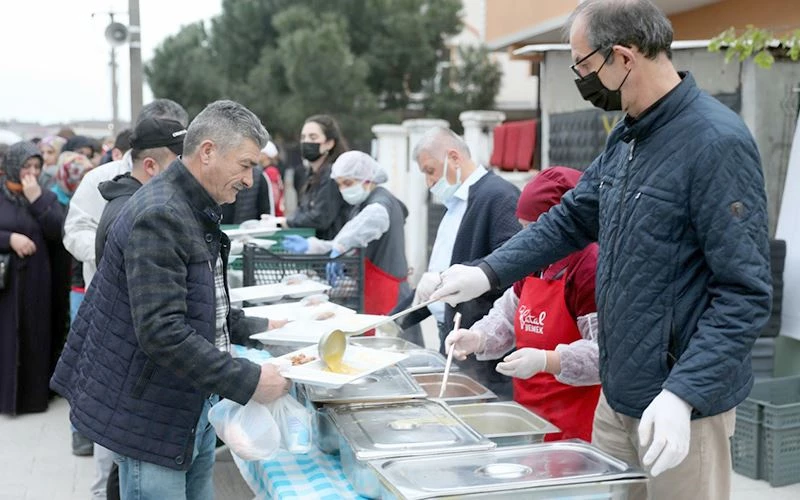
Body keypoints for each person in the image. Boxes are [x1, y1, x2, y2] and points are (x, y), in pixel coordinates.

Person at [430, 1, 771, 498]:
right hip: (618, 397)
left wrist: (683, 393)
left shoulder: (715, 143)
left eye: (584, 65)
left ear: (624, 57)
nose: (582, 80)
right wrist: (486, 271)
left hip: (683, 407)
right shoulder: (629, 137)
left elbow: (745, 293)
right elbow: (570, 218)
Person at [50, 100, 290, 500]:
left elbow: (201, 305)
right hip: (152, 415)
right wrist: (248, 381)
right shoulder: (161, 214)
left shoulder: (191, 208)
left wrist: (262, 328)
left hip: (187, 405)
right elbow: (162, 332)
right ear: (208, 151)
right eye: (246, 165)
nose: (251, 180)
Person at [60, 98, 190, 493]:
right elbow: (74, 230)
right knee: (111, 415)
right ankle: (104, 490)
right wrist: (112, 254)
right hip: (109, 300)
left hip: (158, 310)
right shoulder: (101, 179)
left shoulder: (179, 180)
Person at [445, 167, 600, 441]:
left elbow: (604, 354)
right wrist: (477, 338)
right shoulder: (535, 262)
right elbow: (506, 316)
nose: (529, 240)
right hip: (530, 415)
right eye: (524, 228)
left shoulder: (588, 265)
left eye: (534, 229)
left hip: (576, 422)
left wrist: (547, 360)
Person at [393, 127, 521, 399]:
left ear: (453, 157)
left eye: (430, 171)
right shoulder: (456, 204)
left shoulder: (499, 196)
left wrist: (443, 279)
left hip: (481, 342)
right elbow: (434, 285)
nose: (429, 182)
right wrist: (394, 321)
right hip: (452, 334)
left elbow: (513, 263)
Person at [283, 151, 410, 315]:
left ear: (367, 180)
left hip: (389, 292)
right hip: (374, 288)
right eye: (339, 184)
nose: (343, 189)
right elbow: (347, 238)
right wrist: (312, 246)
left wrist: (340, 247)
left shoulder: (379, 204)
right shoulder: (362, 204)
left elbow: (363, 227)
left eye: (348, 183)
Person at [0, 142, 65, 415]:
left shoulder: (45, 197)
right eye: (26, 166)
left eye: (37, 167)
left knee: (34, 335)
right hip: (5, 283)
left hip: (36, 282)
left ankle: (33, 397)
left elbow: (58, 231)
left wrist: (36, 199)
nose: (32, 172)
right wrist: (10, 239)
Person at [274, 115, 349, 240]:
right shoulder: (312, 174)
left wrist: (285, 222)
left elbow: (320, 217)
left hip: (328, 245)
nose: (306, 141)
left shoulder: (332, 174)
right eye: (303, 137)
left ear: (329, 143)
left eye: (313, 137)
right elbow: (303, 210)